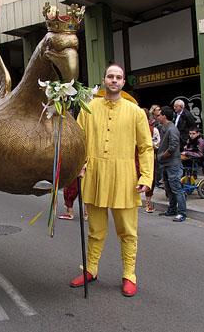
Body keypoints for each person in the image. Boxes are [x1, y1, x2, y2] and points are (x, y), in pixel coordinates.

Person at [70, 64, 154, 297]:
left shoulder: (136, 112)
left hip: (125, 177)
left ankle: (129, 275)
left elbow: (146, 147)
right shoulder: (88, 107)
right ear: (104, 79)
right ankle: (90, 269)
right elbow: (78, 141)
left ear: (123, 82)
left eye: (118, 77)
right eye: (110, 76)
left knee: (127, 231)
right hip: (95, 175)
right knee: (95, 230)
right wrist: (80, 165)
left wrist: (146, 176)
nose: (114, 80)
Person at [156, 106, 187, 222]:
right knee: (169, 188)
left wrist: (163, 155)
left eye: (159, 115)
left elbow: (173, 147)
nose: (157, 118)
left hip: (172, 163)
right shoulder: (164, 128)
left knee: (176, 188)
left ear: (164, 116)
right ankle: (172, 209)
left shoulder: (172, 129)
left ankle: (182, 212)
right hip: (165, 164)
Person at [143, 108, 160, 213]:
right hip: (134, 158)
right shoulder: (132, 129)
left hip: (149, 158)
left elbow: (157, 143)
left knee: (150, 181)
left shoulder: (153, 130)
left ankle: (148, 204)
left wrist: (145, 143)